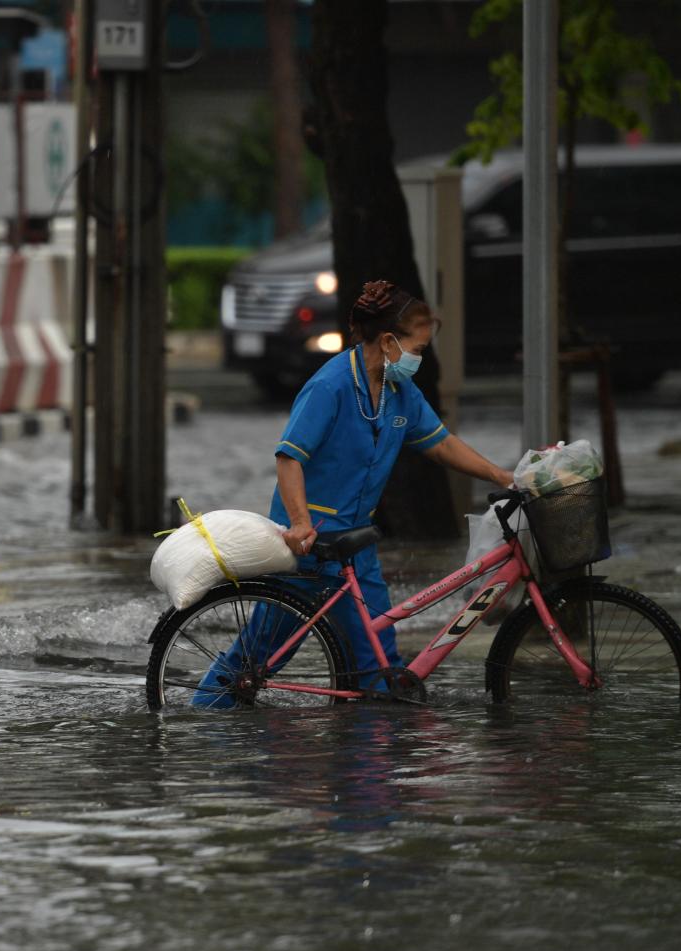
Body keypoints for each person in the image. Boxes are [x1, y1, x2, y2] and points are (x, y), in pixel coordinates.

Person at [193, 279, 515, 706]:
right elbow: (290, 457)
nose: (419, 358)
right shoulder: (330, 387)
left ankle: (366, 756)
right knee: (258, 657)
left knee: (379, 654)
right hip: (310, 545)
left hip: (356, 543)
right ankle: (204, 719)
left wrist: (501, 476)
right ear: (387, 342)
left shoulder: (399, 391)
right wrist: (301, 522)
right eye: (416, 348)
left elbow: (440, 443)